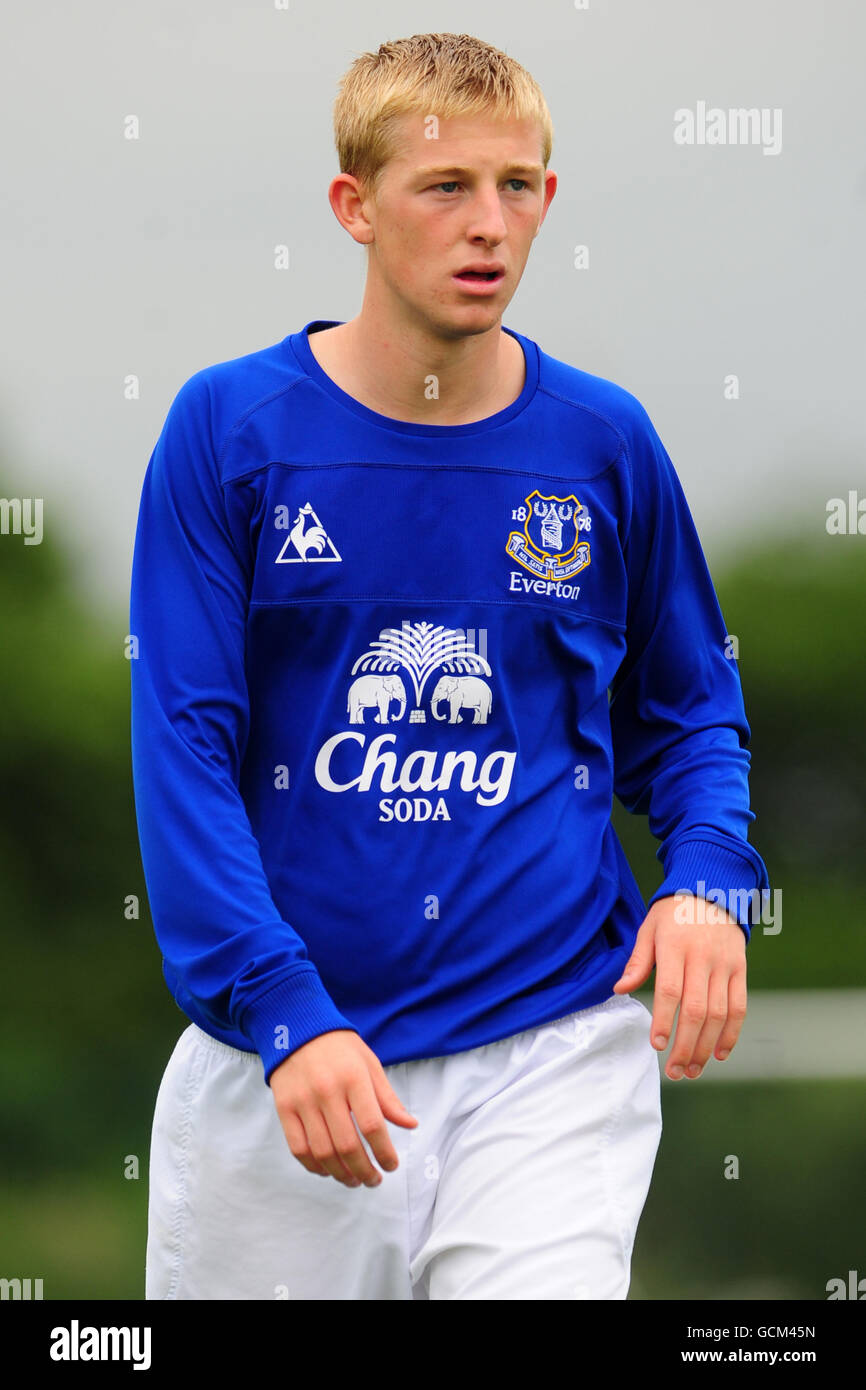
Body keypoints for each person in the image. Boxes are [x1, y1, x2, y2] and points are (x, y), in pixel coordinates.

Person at [130, 32, 769, 1301]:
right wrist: (281, 1006)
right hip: (288, 1070)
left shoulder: (602, 444)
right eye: (444, 187)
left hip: (551, 1052)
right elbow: (186, 752)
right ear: (354, 207)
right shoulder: (230, 431)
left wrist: (704, 880)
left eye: (517, 186)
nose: (489, 224)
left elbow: (688, 715)